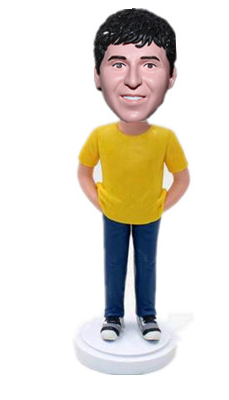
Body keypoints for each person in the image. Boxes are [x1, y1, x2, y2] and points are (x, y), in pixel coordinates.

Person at [78, 8, 190, 341]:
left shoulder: (165, 138)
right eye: (118, 64)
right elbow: (83, 172)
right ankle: (112, 316)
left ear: (171, 77)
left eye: (150, 65)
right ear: (98, 76)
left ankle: (147, 315)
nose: (133, 80)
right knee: (114, 264)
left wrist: (160, 204)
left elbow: (182, 178)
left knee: (147, 264)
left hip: (148, 215)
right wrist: (100, 201)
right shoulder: (100, 135)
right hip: (113, 213)